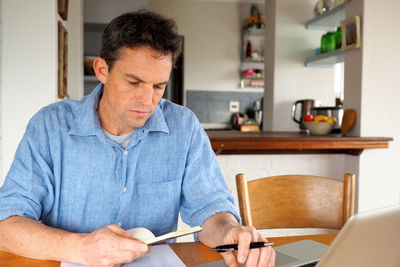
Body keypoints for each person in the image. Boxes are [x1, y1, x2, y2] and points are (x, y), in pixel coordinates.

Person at [0, 10, 275, 267]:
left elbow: (210, 211)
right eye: (133, 82)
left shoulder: (184, 127)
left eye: (158, 86)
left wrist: (229, 232)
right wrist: (81, 247)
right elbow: (6, 224)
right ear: (102, 70)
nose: (147, 101)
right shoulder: (50, 127)